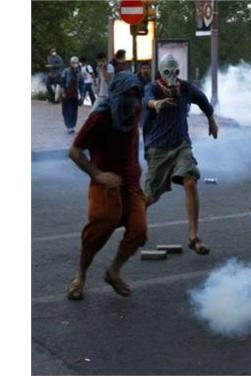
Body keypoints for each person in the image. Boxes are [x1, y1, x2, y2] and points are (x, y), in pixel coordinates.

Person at [67, 72, 146, 300]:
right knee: (103, 224)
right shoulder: (100, 117)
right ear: (116, 95)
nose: (131, 101)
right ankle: (80, 275)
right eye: (127, 95)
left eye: (135, 95)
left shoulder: (136, 110)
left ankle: (114, 271)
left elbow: (135, 137)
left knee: (139, 231)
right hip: (104, 180)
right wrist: (98, 174)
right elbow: (74, 151)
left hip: (130, 181)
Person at [140, 54, 219, 255]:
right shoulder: (153, 88)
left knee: (190, 181)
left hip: (181, 145)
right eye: (168, 72)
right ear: (160, 72)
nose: (172, 77)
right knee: (150, 197)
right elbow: (146, 100)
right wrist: (157, 104)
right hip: (157, 148)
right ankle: (135, 228)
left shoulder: (184, 88)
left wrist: (212, 120)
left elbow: (202, 100)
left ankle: (194, 237)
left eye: (175, 72)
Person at [60, 56, 84, 134]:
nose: (75, 64)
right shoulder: (66, 71)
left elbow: (81, 85)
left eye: (76, 62)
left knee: (74, 111)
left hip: (75, 94)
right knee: (67, 111)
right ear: (71, 63)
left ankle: (72, 126)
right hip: (66, 94)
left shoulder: (79, 73)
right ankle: (68, 126)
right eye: (73, 62)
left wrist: (82, 96)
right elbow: (62, 82)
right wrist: (63, 92)